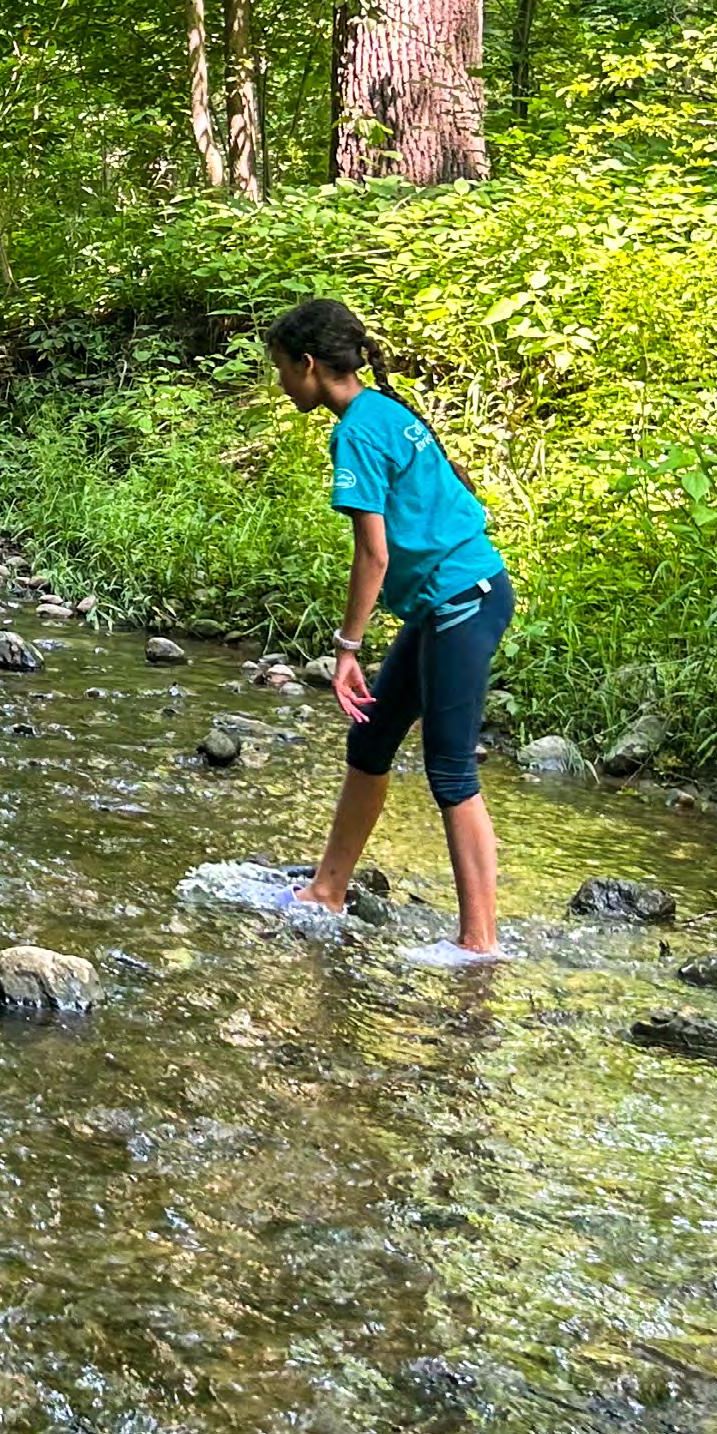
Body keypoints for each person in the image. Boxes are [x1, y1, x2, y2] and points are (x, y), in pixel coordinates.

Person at [266, 295, 513, 966]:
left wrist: (347, 648)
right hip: (446, 602)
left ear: (308, 365)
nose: (281, 382)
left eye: (281, 368)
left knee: (451, 769)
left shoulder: (356, 432)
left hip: (463, 600)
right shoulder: (380, 410)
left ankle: (479, 944)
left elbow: (373, 554)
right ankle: (326, 891)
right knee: (372, 737)